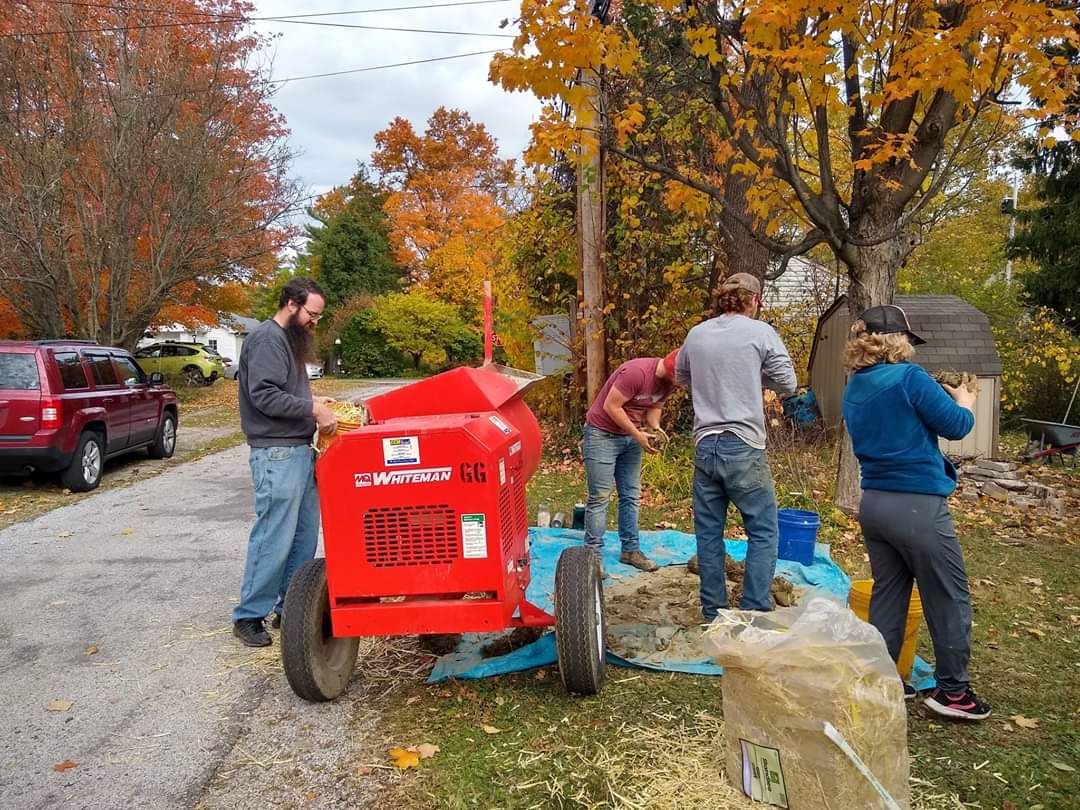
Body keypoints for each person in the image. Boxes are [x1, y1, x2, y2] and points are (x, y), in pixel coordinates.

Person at [842, 304, 990, 720]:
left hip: (874, 504)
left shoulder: (855, 386)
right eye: (908, 339)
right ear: (896, 341)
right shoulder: (909, 376)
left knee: (889, 592)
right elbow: (958, 426)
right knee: (948, 597)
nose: (911, 346)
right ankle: (954, 695)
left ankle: (883, 679)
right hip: (917, 505)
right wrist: (966, 400)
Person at [676, 272, 797, 617]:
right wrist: (752, 374)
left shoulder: (696, 335)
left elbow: (681, 375)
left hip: (705, 445)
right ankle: (753, 611)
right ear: (755, 300)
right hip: (744, 445)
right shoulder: (760, 332)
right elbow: (788, 382)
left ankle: (713, 612)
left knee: (709, 533)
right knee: (762, 530)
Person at [232, 278, 338, 647]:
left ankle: (290, 608)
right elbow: (264, 395)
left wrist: (314, 398)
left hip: (298, 448)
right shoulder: (266, 339)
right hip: (276, 453)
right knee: (274, 537)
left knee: (304, 535)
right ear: (292, 304)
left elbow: (284, 390)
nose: (315, 322)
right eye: (313, 314)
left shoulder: (287, 342)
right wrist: (312, 408)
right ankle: (248, 615)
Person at [583, 349, 680, 572]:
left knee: (631, 496)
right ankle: (592, 557)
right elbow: (611, 406)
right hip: (602, 435)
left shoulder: (669, 383)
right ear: (671, 370)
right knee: (599, 497)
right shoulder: (636, 373)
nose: (681, 386)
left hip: (630, 437)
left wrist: (655, 429)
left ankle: (630, 550)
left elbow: (655, 407)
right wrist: (637, 434)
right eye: (680, 380)